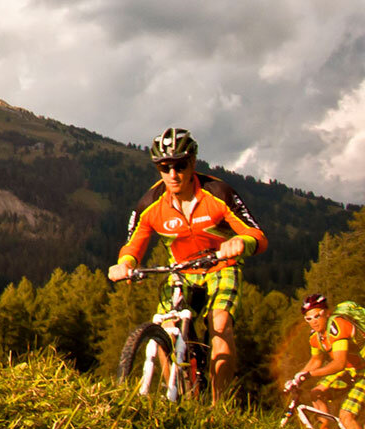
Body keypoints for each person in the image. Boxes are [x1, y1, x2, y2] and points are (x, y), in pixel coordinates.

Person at [107, 126, 267, 401]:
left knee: (219, 327)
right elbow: (134, 244)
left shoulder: (218, 192)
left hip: (221, 266)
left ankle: (219, 410)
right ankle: (179, 399)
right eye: (163, 167)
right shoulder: (151, 203)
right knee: (164, 335)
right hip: (181, 272)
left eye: (180, 165)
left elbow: (257, 234)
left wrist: (243, 243)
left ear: (192, 162)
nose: (173, 174)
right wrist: (125, 263)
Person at [287, 293, 365, 429]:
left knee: (346, 415)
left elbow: (339, 363)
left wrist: (309, 375)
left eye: (317, 316)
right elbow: (316, 361)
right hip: (353, 368)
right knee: (316, 393)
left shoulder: (338, 326)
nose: (314, 321)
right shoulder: (316, 337)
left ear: (327, 313)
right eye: (309, 319)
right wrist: (296, 378)